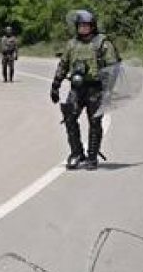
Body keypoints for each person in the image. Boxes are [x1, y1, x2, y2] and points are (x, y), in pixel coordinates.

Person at [50, 10, 119, 170]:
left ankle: (92, 157)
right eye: (80, 25)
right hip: (77, 88)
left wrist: (108, 89)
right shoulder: (72, 44)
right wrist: (55, 85)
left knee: (94, 122)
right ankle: (77, 153)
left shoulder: (102, 43)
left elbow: (112, 67)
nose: (83, 28)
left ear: (92, 26)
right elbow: (63, 64)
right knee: (69, 117)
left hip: (96, 88)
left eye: (86, 25)